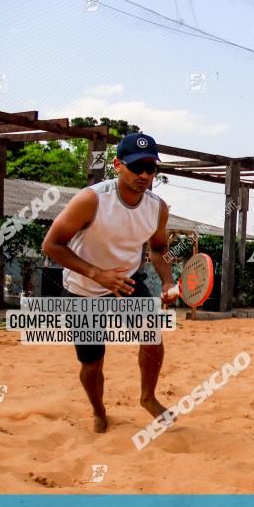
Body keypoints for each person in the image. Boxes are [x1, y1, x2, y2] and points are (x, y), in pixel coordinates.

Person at [42, 132, 177, 433]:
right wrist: (97, 274)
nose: (144, 174)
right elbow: (51, 245)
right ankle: (99, 410)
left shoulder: (157, 208)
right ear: (117, 165)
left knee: (152, 335)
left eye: (151, 168)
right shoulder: (91, 200)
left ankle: (148, 397)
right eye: (136, 166)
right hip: (82, 288)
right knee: (92, 362)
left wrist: (168, 282)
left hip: (126, 281)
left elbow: (158, 249)